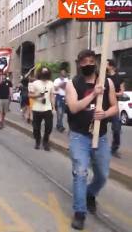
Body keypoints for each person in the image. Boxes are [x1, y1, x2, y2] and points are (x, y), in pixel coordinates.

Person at [66, 50, 118, 230]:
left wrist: (104, 114)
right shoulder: (73, 84)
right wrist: (93, 95)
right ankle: (80, 212)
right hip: (79, 136)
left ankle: (90, 193)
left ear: (95, 62)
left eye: (91, 61)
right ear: (79, 64)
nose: (88, 64)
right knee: (80, 172)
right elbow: (73, 108)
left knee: (102, 175)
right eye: (84, 62)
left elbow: (115, 108)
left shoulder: (107, 82)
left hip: (101, 137)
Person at [29, 67, 55, 151]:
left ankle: (45, 141)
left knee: (49, 126)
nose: (45, 72)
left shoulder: (51, 83)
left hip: (47, 108)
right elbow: (30, 95)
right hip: (37, 108)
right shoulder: (35, 83)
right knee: (36, 128)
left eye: (46, 71)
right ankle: (37, 140)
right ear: (40, 72)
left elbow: (52, 96)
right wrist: (38, 96)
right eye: (43, 71)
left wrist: (53, 107)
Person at [106, 59, 125, 158]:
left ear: (111, 66)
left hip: (114, 105)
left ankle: (114, 148)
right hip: (104, 104)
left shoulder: (119, 78)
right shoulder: (104, 77)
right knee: (96, 124)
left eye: (106, 63)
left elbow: (122, 92)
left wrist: (112, 93)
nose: (104, 65)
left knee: (117, 128)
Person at [54, 68, 69, 132]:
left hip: (65, 97)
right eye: (62, 72)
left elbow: (68, 88)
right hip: (59, 97)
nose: (63, 73)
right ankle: (60, 126)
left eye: (64, 72)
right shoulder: (56, 80)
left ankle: (58, 124)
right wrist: (61, 84)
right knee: (59, 112)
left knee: (62, 113)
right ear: (60, 74)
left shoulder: (67, 80)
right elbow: (55, 89)